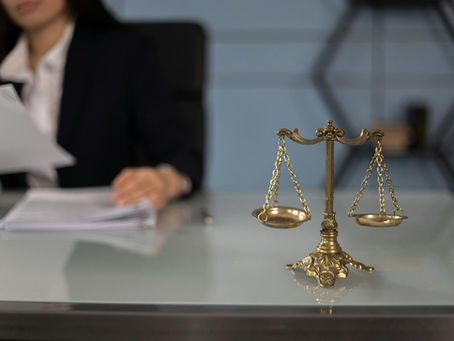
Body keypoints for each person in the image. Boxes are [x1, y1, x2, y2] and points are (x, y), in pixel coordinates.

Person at [0, 0, 203, 210]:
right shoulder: (5, 63)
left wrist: (164, 181)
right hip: (19, 230)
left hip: (108, 224)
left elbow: (183, 155)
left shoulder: (123, 53)